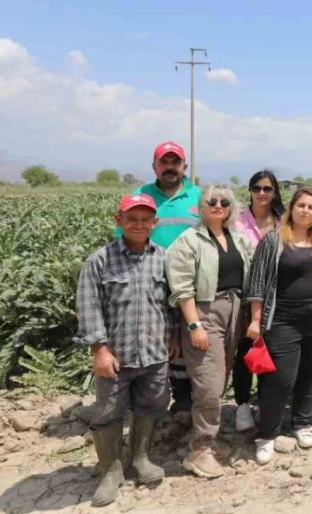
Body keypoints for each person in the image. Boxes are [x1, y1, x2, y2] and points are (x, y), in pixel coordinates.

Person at [75, 194, 174, 508]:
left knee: (151, 405)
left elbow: (169, 303)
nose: (139, 224)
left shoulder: (163, 257)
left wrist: (173, 337)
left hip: (155, 353)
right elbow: (88, 307)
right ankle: (110, 470)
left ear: (154, 224)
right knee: (108, 412)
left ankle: (140, 458)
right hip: (116, 356)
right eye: (132, 218)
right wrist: (100, 350)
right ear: (118, 220)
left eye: (146, 219)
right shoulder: (100, 260)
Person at [244, 187, 312, 464]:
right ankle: (267, 433)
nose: (306, 211)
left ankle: (302, 423)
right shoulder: (273, 240)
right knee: (281, 378)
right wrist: (255, 319)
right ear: (291, 208)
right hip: (284, 319)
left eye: (311, 207)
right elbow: (257, 282)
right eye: (301, 205)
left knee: (311, 373)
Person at [166, 184, 254, 478]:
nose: (218, 205)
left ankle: (209, 439)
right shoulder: (189, 240)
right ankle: (198, 451)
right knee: (209, 384)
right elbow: (181, 288)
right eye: (212, 201)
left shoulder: (237, 238)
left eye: (224, 201)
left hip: (233, 312)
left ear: (231, 208)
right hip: (205, 312)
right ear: (202, 207)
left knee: (221, 377)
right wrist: (194, 325)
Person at [121, 141, 201, 413]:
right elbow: (124, 237)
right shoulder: (140, 195)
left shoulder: (200, 197)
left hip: (193, 284)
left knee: (190, 341)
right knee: (160, 340)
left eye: (175, 162)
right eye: (164, 162)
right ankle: (150, 403)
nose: (170, 167)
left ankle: (187, 400)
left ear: (184, 166)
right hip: (151, 282)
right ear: (154, 166)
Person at [231, 169, 284, 432]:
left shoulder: (283, 222)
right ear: (249, 191)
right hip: (242, 297)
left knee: (270, 350)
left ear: (275, 192)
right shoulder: (236, 219)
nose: (262, 194)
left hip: (276, 299)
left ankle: (265, 402)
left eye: (267, 189)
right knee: (244, 351)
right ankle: (242, 404)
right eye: (256, 188)